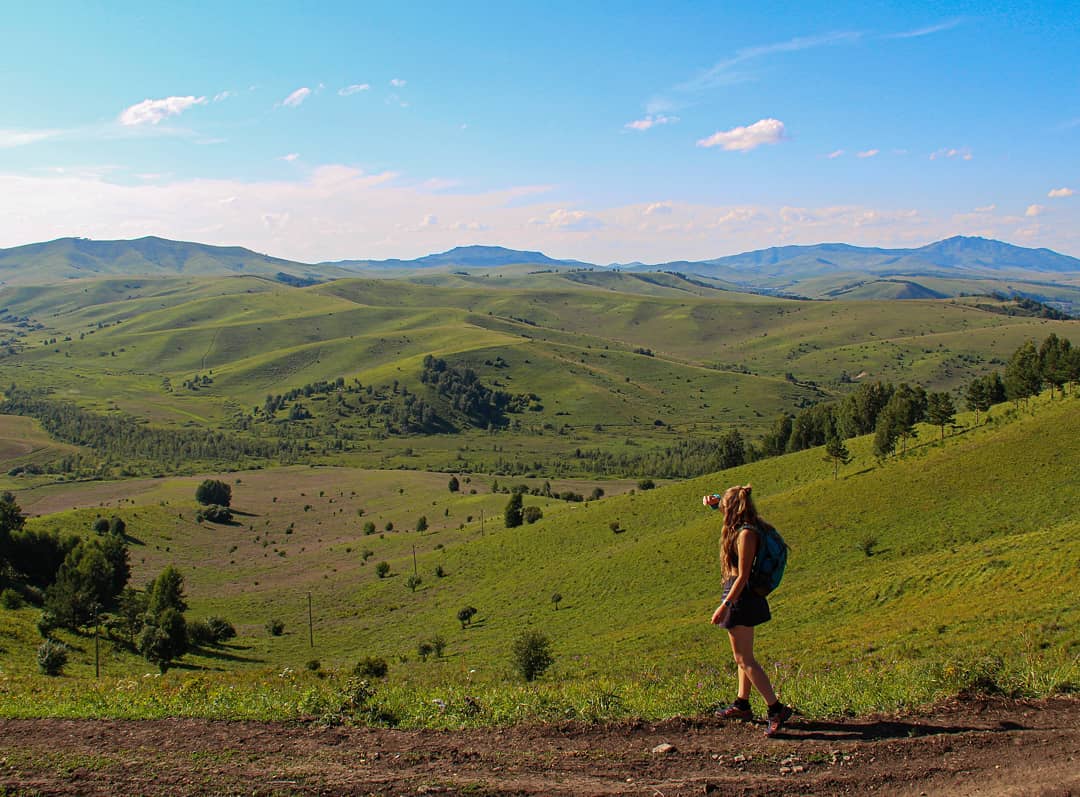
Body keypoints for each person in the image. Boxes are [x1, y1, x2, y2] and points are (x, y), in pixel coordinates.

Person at [704, 484, 793, 737]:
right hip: (743, 596)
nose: (722, 510)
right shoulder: (749, 526)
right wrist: (713, 502)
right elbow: (722, 506)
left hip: (740, 596)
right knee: (742, 656)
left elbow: (742, 576)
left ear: (733, 508)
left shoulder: (746, 535)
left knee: (745, 658)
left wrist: (725, 606)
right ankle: (742, 704)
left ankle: (776, 709)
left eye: (724, 506)